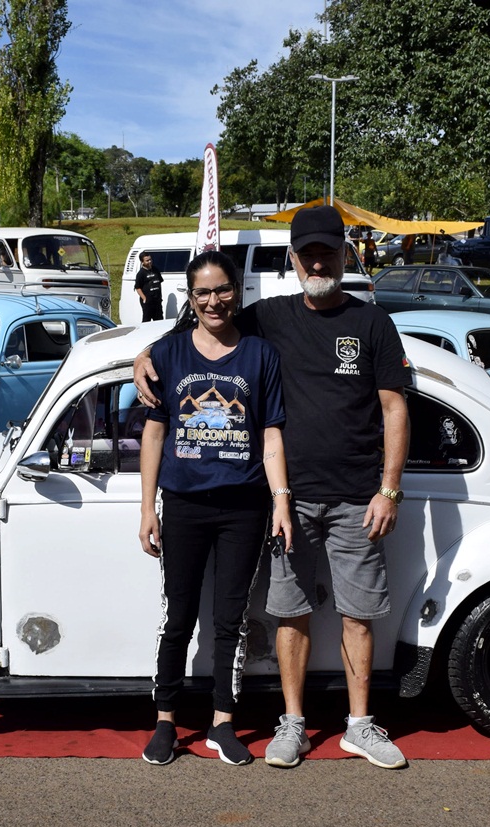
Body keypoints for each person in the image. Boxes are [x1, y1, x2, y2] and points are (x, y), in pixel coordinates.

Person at [135, 203, 412, 769]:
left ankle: (360, 725)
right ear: (293, 259)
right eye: (308, 255)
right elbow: (204, 324)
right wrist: (145, 353)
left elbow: (394, 409)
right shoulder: (271, 316)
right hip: (288, 498)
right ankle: (292, 724)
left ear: (344, 255)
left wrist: (389, 489)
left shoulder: (373, 323)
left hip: (357, 497)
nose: (318, 263)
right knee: (289, 613)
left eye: (327, 253)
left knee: (357, 614)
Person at [137, 250, 293, 766]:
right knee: (178, 618)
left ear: (237, 290)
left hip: (244, 508)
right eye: (202, 292)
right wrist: (147, 509)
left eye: (222, 289)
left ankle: (222, 723)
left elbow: (271, 434)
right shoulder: (168, 353)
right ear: (190, 297)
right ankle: (165, 720)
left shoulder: (260, 354)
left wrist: (280, 500)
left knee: (231, 620)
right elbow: (154, 433)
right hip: (183, 505)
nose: (213, 301)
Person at [134, 251, 164, 321]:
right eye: (147, 260)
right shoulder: (141, 274)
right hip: (148, 302)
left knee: (159, 320)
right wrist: (144, 299)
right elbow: (138, 288)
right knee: (147, 320)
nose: (149, 261)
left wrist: (159, 296)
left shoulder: (155, 270)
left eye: (150, 259)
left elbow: (159, 282)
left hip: (157, 301)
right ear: (142, 262)